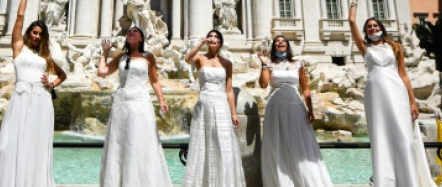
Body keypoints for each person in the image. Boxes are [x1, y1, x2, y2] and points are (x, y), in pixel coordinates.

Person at [0, 0, 67, 187]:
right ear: (29, 33)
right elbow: (20, 17)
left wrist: (51, 84)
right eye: (34, 32)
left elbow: (62, 75)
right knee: (10, 142)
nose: (36, 36)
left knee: (36, 144)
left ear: (43, 37)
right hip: (21, 96)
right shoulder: (18, 47)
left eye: (40, 34)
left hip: (41, 99)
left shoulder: (46, 56)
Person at [348, 1, 435, 187]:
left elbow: (403, 75)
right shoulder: (365, 48)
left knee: (403, 133)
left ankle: (408, 179)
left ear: (381, 28)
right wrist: (354, 2)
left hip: (396, 90)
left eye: (375, 25)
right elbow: (351, 21)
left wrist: (413, 101)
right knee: (380, 134)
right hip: (375, 94)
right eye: (369, 27)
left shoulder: (395, 47)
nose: (372, 28)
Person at [97, 26, 172, 187]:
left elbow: (154, 81)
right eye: (129, 31)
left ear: (141, 38)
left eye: (135, 31)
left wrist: (162, 101)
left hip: (141, 101)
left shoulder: (148, 56)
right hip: (122, 102)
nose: (131, 32)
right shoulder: (120, 57)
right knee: (120, 141)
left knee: (142, 139)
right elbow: (102, 72)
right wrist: (105, 52)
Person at [257, 35, 333, 187]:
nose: (280, 43)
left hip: (295, 105)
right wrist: (264, 64)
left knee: (299, 142)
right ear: (274, 47)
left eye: (283, 41)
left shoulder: (298, 64)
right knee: (276, 143)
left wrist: (310, 109)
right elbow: (264, 84)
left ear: (287, 46)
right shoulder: (269, 64)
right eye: (277, 41)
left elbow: (305, 89)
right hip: (275, 105)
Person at [183, 30, 245, 187]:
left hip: (221, 104)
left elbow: (229, 90)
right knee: (203, 143)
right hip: (204, 104)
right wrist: (200, 44)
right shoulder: (200, 59)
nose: (212, 39)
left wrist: (233, 113)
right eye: (210, 36)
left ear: (220, 42)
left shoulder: (227, 63)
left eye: (216, 37)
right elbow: (187, 59)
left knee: (223, 143)